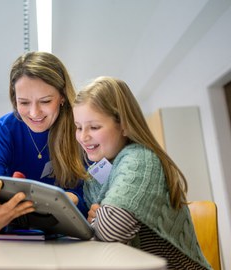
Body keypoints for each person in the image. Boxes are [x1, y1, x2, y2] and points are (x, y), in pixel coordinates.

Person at [73, 76, 211, 269]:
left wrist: (98, 218)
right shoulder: (96, 174)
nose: (83, 136)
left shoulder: (140, 159)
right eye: (78, 127)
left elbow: (110, 231)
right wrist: (102, 217)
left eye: (94, 127)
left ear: (124, 125)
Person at [0, 51, 88, 236]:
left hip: (68, 241)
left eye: (45, 101)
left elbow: (91, 197)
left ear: (62, 97)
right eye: (24, 102)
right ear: (14, 99)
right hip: (14, 244)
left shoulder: (81, 130)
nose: (34, 113)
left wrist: (72, 199)